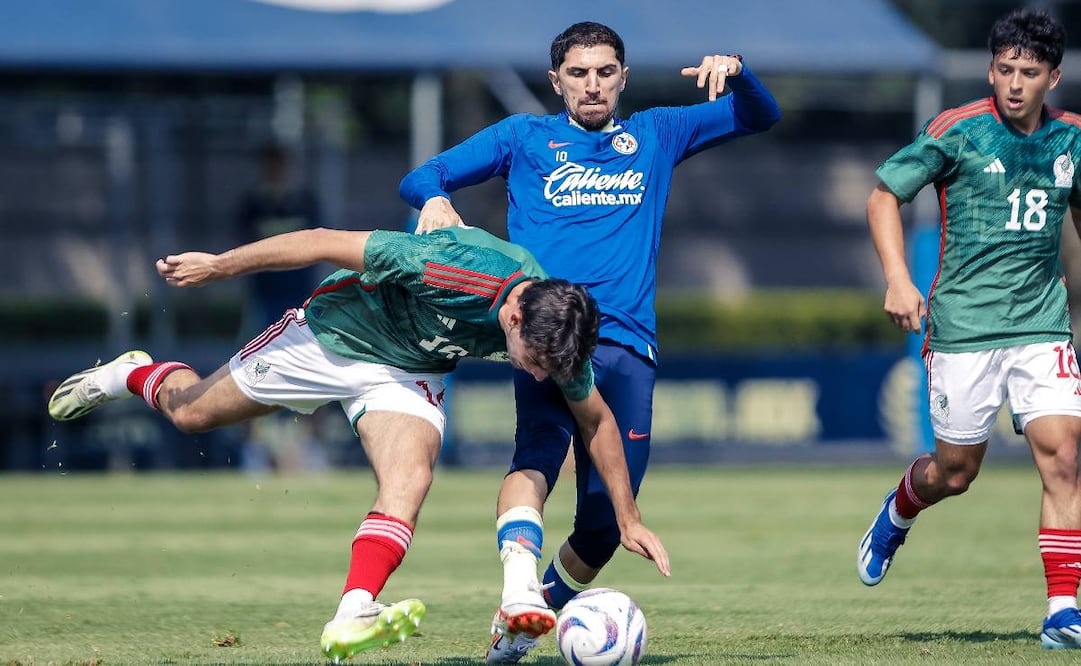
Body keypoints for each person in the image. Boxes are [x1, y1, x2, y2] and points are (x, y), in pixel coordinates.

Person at [46, 224, 671, 662]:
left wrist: (627, 517)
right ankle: (130, 371)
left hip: (407, 373)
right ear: (511, 317)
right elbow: (321, 243)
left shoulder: (555, 325)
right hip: (332, 336)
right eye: (532, 363)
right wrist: (219, 265)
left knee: (411, 480)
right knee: (190, 415)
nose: (537, 376)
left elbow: (595, 420)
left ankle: (354, 609)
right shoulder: (447, 268)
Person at [399, 20, 781, 663]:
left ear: (623, 77)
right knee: (536, 462)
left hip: (627, 348)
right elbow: (421, 175)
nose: (593, 84)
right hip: (548, 338)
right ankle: (518, 593)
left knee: (605, 525)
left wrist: (739, 71)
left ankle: (532, 611)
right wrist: (435, 200)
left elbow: (758, 116)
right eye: (578, 73)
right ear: (556, 82)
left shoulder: (658, 132)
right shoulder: (524, 137)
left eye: (605, 71)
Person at [856, 8, 1081, 650]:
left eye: (1029, 72)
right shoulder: (958, 131)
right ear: (990, 70)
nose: (1015, 83)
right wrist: (899, 280)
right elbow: (881, 197)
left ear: (1053, 77)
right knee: (956, 472)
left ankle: (1062, 609)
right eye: (1004, 69)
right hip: (963, 328)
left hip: (1042, 324)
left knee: (1064, 458)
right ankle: (901, 508)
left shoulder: (1073, 140)